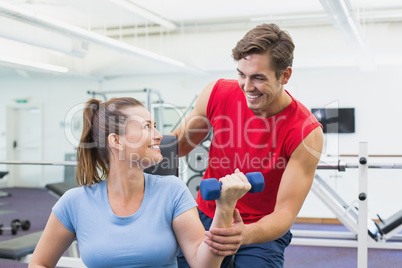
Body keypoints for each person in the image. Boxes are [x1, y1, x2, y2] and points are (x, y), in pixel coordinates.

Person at [29, 97, 252, 268]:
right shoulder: (74, 202)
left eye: (154, 126)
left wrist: (224, 208)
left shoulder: (172, 191)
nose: (158, 135)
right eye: (147, 126)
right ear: (116, 141)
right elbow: (39, 263)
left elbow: (203, 264)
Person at [172, 23, 324, 267]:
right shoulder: (217, 93)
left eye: (258, 78)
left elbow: (284, 213)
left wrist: (243, 235)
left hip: (260, 230)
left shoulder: (306, 132)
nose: (247, 86)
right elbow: (177, 146)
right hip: (205, 215)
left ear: (285, 75)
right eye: (242, 74)